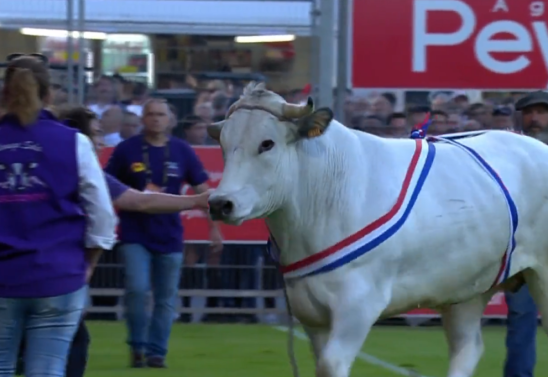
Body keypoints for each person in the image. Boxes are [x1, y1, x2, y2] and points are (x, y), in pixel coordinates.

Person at [16, 105, 211, 377]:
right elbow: (133, 204)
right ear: (79, 137)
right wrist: (196, 200)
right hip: (59, 274)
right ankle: (139, 344)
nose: (100, 141)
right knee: (57, 356)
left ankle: (154, 351)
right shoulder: (89, 169)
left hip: (16, 273)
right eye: (96, 134)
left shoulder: (29, 167)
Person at [0, 54, 117, 377]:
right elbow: (102, 214)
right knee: (49, 369)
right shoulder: (74, 142)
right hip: (58, 273)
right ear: (49, 94)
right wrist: (89, 262)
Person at [105, 98, 222, 368]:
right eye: (150, 114)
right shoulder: (126, 149)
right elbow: (105, 185)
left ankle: (157, 352)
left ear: (170, 120)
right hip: (134, 232)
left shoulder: (182, 150)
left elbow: (203, 191)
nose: (156, 119)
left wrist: (214, 228)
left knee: (166, 298)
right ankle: (137, 345)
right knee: (136, 289)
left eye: (161, 115)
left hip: (170, 235)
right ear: (142, 119)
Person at [503, 91, 548, 377]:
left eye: (541, 112)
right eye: (529, 112)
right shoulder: (509, 152)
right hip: (525, 249)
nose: (535, 118)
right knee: (520, 316)